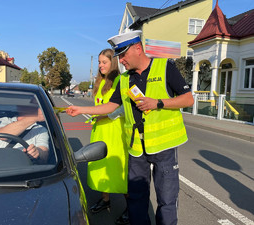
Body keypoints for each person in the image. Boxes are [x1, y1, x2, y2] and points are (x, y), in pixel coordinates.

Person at [66, 30, 194, 225]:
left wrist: (158, 103)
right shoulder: (125, 79)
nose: (121, 60)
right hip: (136, 148)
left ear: (138, 48)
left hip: (164, 145)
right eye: (119, 56)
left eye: (123, 55)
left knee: (166, 200)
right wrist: (81, 109)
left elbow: (188, 99)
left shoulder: (164, 67)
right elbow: (111, 105)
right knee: (136, 199)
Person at [87, 49, 129, 225]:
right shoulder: (98, 82)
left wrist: (104, 116)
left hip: (115, 133)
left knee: (119, 171)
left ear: (113, 63)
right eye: (99, 62)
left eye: (104, 62)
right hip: (99, 131)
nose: (100, 65)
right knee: (101, 167)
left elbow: (123, 109)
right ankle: (105, 201)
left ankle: (131, 207)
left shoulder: (120, 80)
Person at [0, 99, 49, 164]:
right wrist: (35, 117)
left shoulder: (40, 129)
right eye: (23, 102)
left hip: (23, 170)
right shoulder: (5, 120)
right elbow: (2, 135)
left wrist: (37, 152)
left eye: (31, 103)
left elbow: (44, 153)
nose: (26, 105)